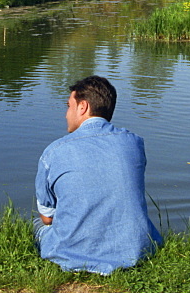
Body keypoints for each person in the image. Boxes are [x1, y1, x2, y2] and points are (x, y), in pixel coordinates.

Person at [34, 75, 162, 275]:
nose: (66, 114)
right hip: (136, 250)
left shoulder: (54, 151)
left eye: (69, 106)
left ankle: (76, 253)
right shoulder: (134, 144)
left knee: (37, 225)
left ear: (82, 107)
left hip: (71, 254)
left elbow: (47, 218)